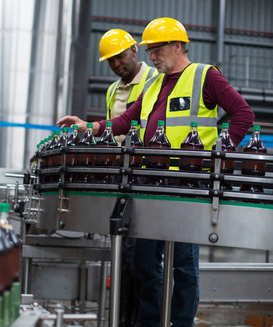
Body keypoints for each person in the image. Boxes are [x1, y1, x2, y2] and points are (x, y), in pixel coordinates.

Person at [57, 17, 255, 327]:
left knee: (183, 265)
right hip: (149, 184)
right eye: (149, 51)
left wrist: (220, 147)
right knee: (144, 263)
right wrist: (90, 126)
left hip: (187, 186)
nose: (152, 57)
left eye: (157, 50)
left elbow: (243, 113)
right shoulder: (152, 84)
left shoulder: (205, 76)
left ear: (178, 46)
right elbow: (125, 122)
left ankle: (181, 322)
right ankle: (149, 322)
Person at [98, 28, 158, 327]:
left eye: (119, 57)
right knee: (122, 255)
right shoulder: (112, 90)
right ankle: (123, 318)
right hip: (121, 177)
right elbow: (115, 128)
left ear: (134, 51)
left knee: (142, 260)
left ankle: (143, 320)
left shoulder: (154, 81)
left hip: (148, 176)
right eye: (110, 61)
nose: (116, 64)